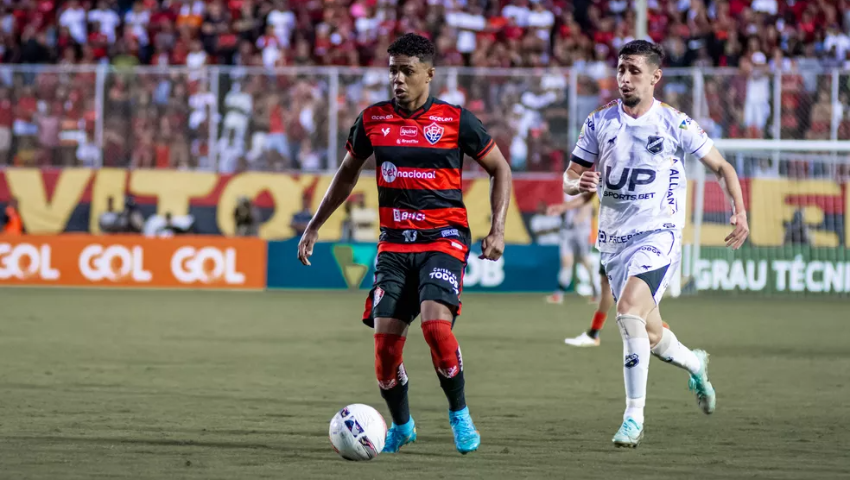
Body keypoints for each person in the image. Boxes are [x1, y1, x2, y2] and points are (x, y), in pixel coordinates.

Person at [297, 33, 512, 455]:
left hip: (443, 238)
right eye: (393, 70)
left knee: (435, 327)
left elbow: (500, 168)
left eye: (407, 71)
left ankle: (459, 415)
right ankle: (402, 425)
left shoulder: (456, 120)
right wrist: (314, 225)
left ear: (429, 74)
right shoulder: (372, 120)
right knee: (384, 353)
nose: (397, 79)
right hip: (394, 245)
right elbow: (346, 174)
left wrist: (498, 229)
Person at [563, 40, 749, 448]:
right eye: (620, 69)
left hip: (658, 235)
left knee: (628, 312)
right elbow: (569, 177)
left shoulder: (675, 124)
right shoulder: (598, 122)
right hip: (614, 241)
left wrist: (739, 211)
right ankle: (695, 364)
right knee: (649, 335)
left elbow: (722, 167)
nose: (625, 78)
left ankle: (634, 418)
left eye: (634, 70)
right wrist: (579, 183)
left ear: (655, 77)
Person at [544, 191, 599, 304]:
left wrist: (578, 220)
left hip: (582, 231)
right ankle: (559, 293)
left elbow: (587, 205)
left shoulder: (584, 187)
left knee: (585, 261)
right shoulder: (567, 190)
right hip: (568, 230)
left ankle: (596, 291)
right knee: (566, 262)